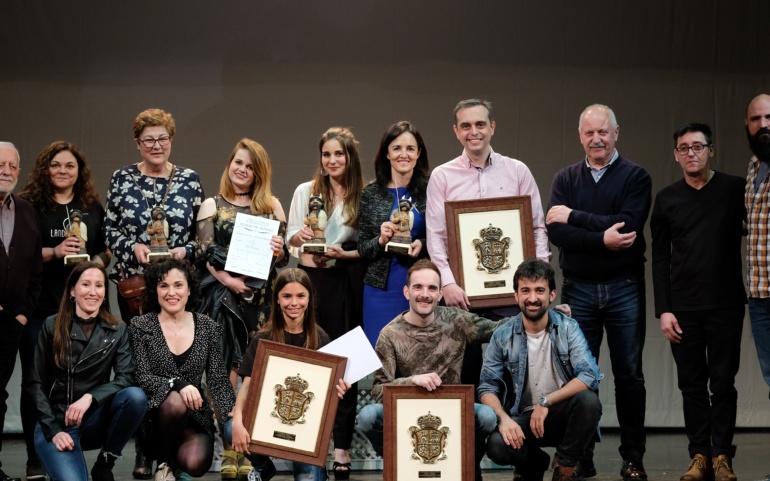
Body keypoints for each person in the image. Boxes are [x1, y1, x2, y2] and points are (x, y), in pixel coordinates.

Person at [546, 104, 652, 480]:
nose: (597, 139)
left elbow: (627, 227)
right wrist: (601, 237)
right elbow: (555, 234)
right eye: (589, 132)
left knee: (629, 376)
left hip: (624, 288)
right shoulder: (565, 179)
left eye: (603, 132)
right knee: (580, 376)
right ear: (580, 136)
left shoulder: (636, 176)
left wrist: (574, 217)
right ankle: (581, 458)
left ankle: (633, 457)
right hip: (578, 290)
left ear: (616, 133)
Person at [103, 108, 204, 478]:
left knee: (175, 369)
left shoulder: (190, 180)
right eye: (148, 139)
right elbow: (108, 231)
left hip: (177, 292)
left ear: (171, 139)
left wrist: (184, 253)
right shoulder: (122, 178)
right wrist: (133, 248)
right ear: (138, 143)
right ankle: (145, 452)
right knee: (143, 372)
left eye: (162, 138)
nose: (156, 145)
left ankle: (170, 449)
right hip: (136, 292)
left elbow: (202, 238)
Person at [425, 98, 550, 397]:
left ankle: (511, 442)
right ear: (456, 131)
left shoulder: (517, 171)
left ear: (492, 127)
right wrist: (449, 283)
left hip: (510, 293)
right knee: (464, 373)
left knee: (513, 370)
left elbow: (536, 228)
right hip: (461, 296)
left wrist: (536, 278)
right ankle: (471, 441)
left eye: (480, 124)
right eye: (466, 126)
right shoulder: (442, 176)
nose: (474, 131)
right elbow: (436, 236)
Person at [651, 123, 746, 481]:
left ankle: (722, 455)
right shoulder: (667, 199)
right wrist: (664, 309)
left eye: (698, 146)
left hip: (726, 305)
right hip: (683, 308)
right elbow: (660, 258)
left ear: (711, 150)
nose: (691, 153)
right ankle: (699, 455)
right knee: (691, 385)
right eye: (684, 148)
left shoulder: (735, 189)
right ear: (676, 155)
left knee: (723, 383)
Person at [355, 259, 503, 481]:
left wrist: (544, 315)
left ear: (440, 293)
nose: (425, 294)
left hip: (452, 412)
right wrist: (411, 381)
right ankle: (396, 455)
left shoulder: (456, 320)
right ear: (406, 292)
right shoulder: (390, 334)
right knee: (366, 416)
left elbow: (499, 330)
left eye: (432, 288)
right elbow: (378, 390)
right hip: (407, 416)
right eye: (418, 287)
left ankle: (466, 458)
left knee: (488, 416)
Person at [18, 140, 110, 479]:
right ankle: (34, 455)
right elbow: (21, 254)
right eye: (56, 165)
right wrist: (55, 252)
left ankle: (79, 447)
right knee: (37, 383)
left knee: (86, 383)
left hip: (84, 312)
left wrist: (94, 265)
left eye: (69, 166)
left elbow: (106, 251)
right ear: (45, 169)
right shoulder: (29, 206)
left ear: (79, 172)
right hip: (41, 309)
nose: (62, 171)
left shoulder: (91, 207)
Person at [286, 126, 364, 479]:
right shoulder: (306, 191)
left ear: (350, 158)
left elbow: (367, 245)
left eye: (339, 154)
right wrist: (299, 238)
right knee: (310, 364)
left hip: (345, 283)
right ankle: (305, 443)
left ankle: (342, 450)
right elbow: (290, 240)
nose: (332, 160)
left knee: (347, 366)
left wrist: (344, 253)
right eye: (326, 154)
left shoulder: (363, 196)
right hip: (311, 284)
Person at [479, 258, 602, 481]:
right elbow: (487, 386)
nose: (532, 298)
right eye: (525, 290)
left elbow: (589, 375)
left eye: (539, 290)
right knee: (497, 446)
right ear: (516, 295)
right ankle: (534, 463)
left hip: (559, 415)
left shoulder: (567, 327)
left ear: (552, 295)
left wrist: (546, 402)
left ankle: (564, 469)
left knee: (589, 401)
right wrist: (504, 419)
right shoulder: (502, 335)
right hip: (523, 417)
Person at [26, 262, 147, 481]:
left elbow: (126, 376)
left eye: (99, 286)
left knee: (135, 397)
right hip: (57, 422)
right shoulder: (51, 325)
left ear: (104, 293)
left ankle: (106, 461)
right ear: (72, 290)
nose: (93, 292)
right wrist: (54, 430)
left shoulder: (117, 328)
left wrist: (90, 397)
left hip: (95, 420)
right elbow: (35, 383)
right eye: (86, 284)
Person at [227, 268, 350, 481]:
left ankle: (317, 469)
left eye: (301, 296)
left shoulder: (321, 338)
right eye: (287, 296)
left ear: (310, 299)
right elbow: (246, 387)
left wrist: (338, 390)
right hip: (268, 420)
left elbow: (327, 394)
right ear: (276, 300)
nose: (294, 303)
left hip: (307, 431)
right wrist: (238, 421)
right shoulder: (263, 338)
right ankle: (263, 468)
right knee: (231, 428)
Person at [128, 259, 236, 481]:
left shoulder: (207, 327)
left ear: (189, 290)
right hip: (156, 418)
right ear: (155, 290)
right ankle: (164, 464)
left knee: (195, 464)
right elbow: (141, 377)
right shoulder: (141, 326)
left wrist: (234, 419)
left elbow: (218, 381)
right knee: (175, 400)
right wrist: (178, 383)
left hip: (194, 418)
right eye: (163, 286)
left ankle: (174, 465)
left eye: (178, 285)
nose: (171, 292)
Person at [196, 138, 288, 386]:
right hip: (223, 296)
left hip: (262, 296)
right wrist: (229, 281)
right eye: (238, 162)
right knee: (225, 365)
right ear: (229, 164)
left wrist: (278, 250)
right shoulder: (211, 205)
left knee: (262, 365)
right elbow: (204, 254)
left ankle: (251, 423)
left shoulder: (272, 206)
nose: (242, 169)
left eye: (250, 166)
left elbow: (281, 258)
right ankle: (224, 423)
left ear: (259, 173)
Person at [357, 121, 429, 346]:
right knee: (379, 355)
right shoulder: (371, 193)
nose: (403, 154)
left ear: (418, 153)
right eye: (397, 148)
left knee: (416, 354)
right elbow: (362, 249)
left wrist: (423, 244)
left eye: (410, 148)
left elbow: (444, 238)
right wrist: (380, 240)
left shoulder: (431, 189)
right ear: (387, 153)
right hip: (380, 289)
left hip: (420, 288)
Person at [0, 142, 43, 481]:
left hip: (12, 322)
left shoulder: (26, 211)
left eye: (13, 166)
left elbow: (34, 273)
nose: (7, 171)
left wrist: (23, 314)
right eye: (1, 164)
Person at [743, 93, 770, 481]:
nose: (764, 124)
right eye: (755, 119)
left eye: (769, 116)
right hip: (760, 294)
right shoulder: (754, 168)